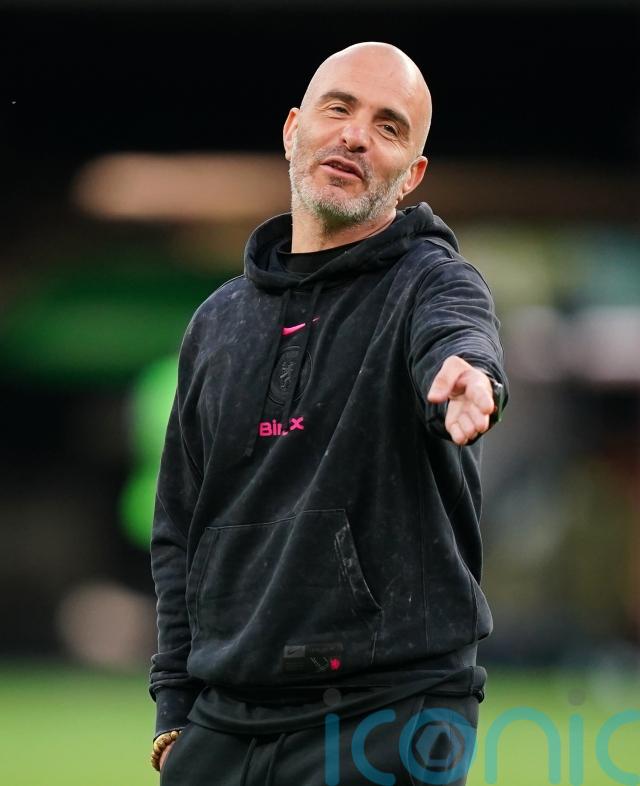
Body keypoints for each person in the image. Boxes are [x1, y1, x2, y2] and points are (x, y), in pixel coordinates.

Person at [149, 41, 507, 786]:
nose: (355, 135)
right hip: (225, 719)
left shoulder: (432, 284)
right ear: (293, 131)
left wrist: (471, 375)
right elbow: (180, 527)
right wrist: (175, 711)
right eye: (338, 109)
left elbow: (458, 334)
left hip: (389, 713)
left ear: (411, 174)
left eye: (388, 126)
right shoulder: (216, 322)